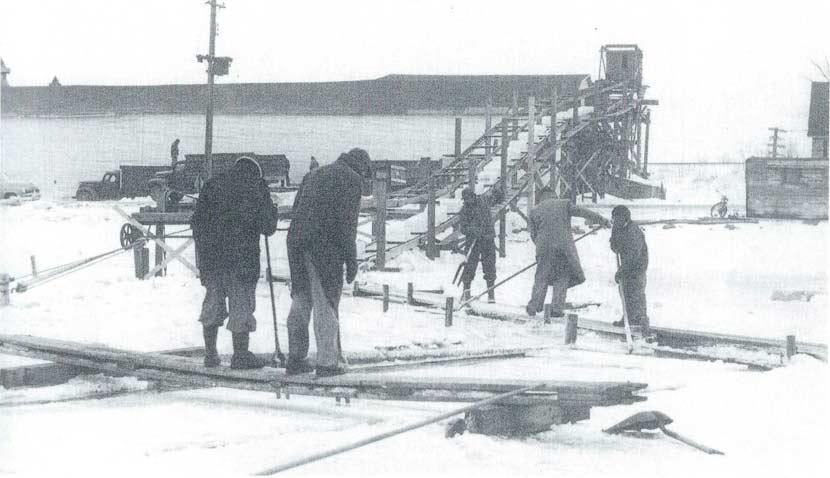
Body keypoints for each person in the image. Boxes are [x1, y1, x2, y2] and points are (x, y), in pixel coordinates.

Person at [285, 148, 371, 377]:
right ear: (361, 167)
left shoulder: (314, 173)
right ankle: (326, 362)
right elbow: (347, 225)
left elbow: (296, 210)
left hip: (295, 241)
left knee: (301, 297)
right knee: (325, 303)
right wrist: (351, 262)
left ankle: (296, 358)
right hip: (323, 246)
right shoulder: (351, 179)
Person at [191, 156, 278, 369]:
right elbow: (268, 226)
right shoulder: (256, 187)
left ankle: (210, 354)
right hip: (242, 260)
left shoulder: (212, 185)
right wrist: (272, 208)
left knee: (213, 304)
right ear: (256, 172)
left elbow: (196, 223)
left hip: (212, 259)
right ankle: (240, 356)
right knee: (241, 307)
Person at [526, 188, 610, 318]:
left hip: (544, 248)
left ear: (541, 198)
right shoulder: (564, 204)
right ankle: (556, 309)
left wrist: (542, 248)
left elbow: (533, 234)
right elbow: (583, 212)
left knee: (541, 276)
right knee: (562, 276)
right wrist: (602, 220)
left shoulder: (534, 211)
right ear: (555, 196)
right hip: (563, 248)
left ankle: (535, 305)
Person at [610, 205, 649, 331]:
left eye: (616, 218)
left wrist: (621, 271)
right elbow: (615, 247)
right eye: (613, 218)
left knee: (636, 295)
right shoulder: (621, 229)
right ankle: (628, 318)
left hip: (637, 268)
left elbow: (633, 256)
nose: (614, 220)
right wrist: (614, 231)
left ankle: (640, 323)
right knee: (625, 293)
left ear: (624, 218)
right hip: (628, 267)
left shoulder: (633, 231)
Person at [459, 188, 497, 303]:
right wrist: (472, 229)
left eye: (468, 199)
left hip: (487, 239)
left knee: (489, 267)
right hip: (473, 241)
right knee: (469, 267)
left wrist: (497, 192)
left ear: (473, 197)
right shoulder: (464, 210)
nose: (467, 202)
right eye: (465, 200)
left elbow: (496, 197)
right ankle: (466, 293)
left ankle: (491, 295)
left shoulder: (484, 202)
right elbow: (463, 228)